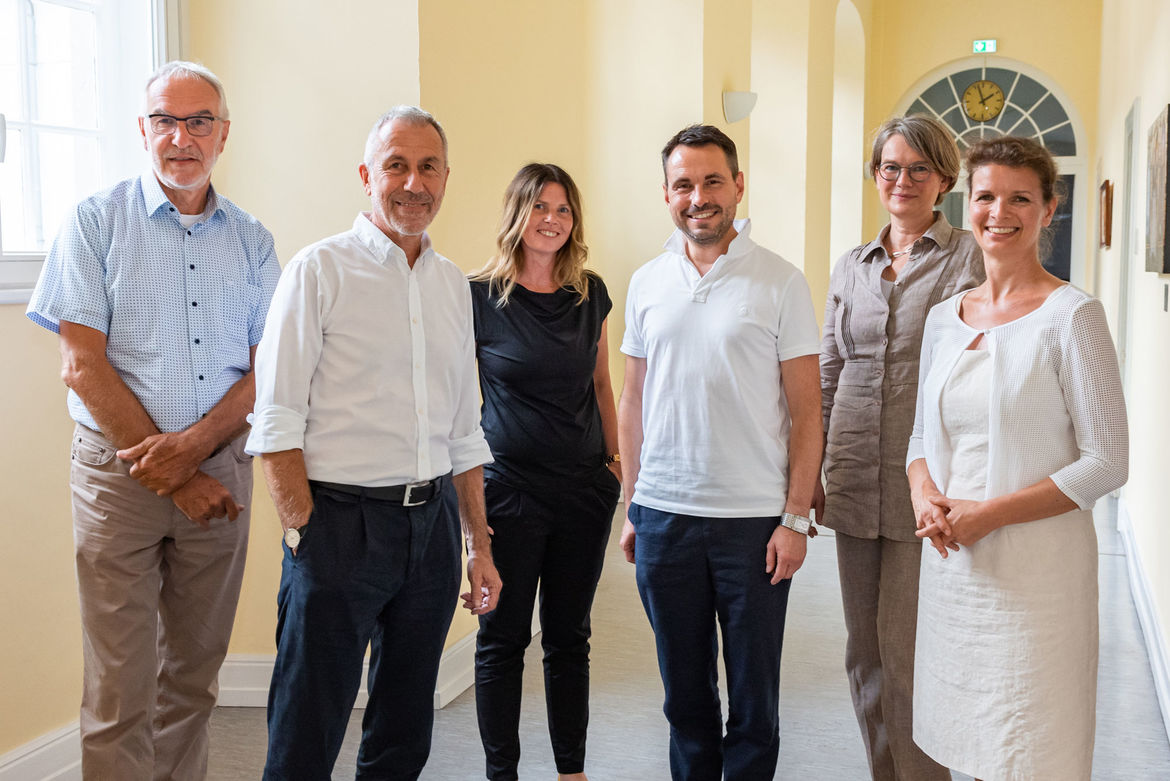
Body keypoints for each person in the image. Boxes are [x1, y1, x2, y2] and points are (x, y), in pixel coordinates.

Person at [25, 61, 279, 779]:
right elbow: (82, 366)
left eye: (199, 121)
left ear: (223, 134)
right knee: (118, 690)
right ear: (143, 130)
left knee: (193, 681)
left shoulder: (254, 241)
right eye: (165, 120)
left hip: (221, 478)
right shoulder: (95, 220)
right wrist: (174, 476)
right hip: (116, 482)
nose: (181, 136)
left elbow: (267, 373)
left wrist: (195, 459)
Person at [246, 106, 502, 781]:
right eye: (396, 165)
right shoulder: (318, 271)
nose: (413, 183)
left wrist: (478, 544)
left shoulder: (451, 285)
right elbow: (275, 420)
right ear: (367, 175)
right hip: (338, 526)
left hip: (432, 530)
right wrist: (304, 531)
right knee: (309, 722)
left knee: (404, 725)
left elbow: (463, 429)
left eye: (427, 167)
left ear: (446, 178)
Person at [908, 136, 1128, 779]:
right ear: (965, 202)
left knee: (1031, 743)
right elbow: (922, 435)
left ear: (1047, 209)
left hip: (1038, 575)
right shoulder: (946, 317)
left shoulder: (1072, 316)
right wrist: (926, 495)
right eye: (985, 196)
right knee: (964, 738)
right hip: (955, 566)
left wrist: (991, 514)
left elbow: (1108, 461)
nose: (999, 212)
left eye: (1019, 198)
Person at [618, 124, 823, 780]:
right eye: (684, 184)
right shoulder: (647, 281)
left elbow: (807, 410)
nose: (698, 196)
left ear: (738, 185)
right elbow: (632, 401)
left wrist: (794, 518)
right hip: (664, 518)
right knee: (685, 700)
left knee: (754, 706)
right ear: (667, 193)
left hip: (754, 525)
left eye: (712, 181)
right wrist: (633, 506)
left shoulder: (780, 281)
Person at [817, 115, 983, 781]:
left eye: (918, 168)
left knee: (911, 655)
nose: (902, 179)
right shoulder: (850, 267)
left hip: (931, 487)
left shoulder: (969, 257)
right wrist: (810, 470)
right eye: (890, 166)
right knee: (864, 656)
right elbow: (828, 375)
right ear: (875, 176)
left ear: (944, 178)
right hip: (853, 479)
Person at [469, 163, 622, 781]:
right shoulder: (479, 297)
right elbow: (458, 402)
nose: (553, 220)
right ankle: (501, 772)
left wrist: (617, 470)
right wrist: (470, 519)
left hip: (585, 492)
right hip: (509, 493)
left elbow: (604, 386)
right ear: (518, 214)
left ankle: (571, 771)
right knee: (502, 641)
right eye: (541, 208)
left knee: (569, 639)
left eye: (563, 210)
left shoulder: (590, 294)